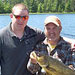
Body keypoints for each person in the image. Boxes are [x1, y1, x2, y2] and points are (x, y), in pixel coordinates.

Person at [0, 3, 45, 75]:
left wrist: (70, 42)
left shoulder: (35, 33)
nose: (21, 20)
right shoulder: (2, 36)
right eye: (17, 17)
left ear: (28, 18)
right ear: (11, 16)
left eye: (25, 17)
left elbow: (52, 37)